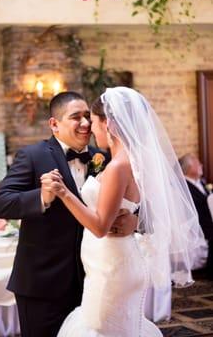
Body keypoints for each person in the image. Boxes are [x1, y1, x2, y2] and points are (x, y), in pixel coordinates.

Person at [44, 87, 204, 337]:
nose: (91, 128)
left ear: (109, 125)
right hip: (113, 261)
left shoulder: (118, 166)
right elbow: (147, 205)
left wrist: (64, 193)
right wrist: (137, 218)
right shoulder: (133, 161)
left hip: (112, 265)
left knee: (102, 329)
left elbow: (99, 226)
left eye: (94, 122)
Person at [0, 91, 137, 337]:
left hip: (93, 280)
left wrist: (135, 221)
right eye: (76, 117)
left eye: (88, 117)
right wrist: (41, 197)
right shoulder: (32, 156)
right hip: (43, 283)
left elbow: (129, 201)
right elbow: (0, 203)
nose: (85, 123)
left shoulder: (103, 157)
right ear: (54, 124)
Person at [179, 153, 213, 279]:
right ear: (188, 167)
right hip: (199, 226)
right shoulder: (183, 187)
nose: (201, 165)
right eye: (197, 163)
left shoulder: (201, 183)